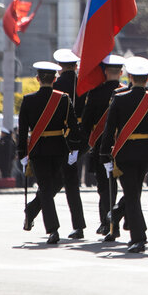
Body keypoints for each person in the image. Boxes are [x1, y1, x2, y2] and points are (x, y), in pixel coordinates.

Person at [100, 56, 148, 253]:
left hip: (124, 152)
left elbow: (109, 130)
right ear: (147, 79)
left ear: (130, 77)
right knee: (134, 193)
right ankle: (126, 224)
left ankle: (138, 237)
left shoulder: (119, 98)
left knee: (132, 195)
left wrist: (104, 155)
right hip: (146, 153)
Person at [17, 61, 81, 244]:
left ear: (37, 79)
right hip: (59, 148)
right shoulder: (64, 99)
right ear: (55, 79)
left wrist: (22, 153)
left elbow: (22, 131)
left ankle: (37, 214)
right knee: (52, 186)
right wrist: (75, 147)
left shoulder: (28, 100)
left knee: (46, 188)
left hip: (38, 149)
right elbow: (73, 127)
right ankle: (52, 228)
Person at [80, 54, 125, 235]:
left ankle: (107, 224)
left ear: (105, 72)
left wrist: (80, 145)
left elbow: (86, 123)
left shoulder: (95, 93)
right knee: (130, 187)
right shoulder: (126, 92)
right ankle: (120, 218)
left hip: (101, 147)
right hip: (123, 146)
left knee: (105, 188)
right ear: (121, 72)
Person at [50, 48, 87, 239]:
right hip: (80, 136)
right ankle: (78, 225)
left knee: (55, 180)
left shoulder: (57, 85)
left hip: (60, 136)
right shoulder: (84, 84)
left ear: (59, 67)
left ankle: (34, 208)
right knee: (71, 182)